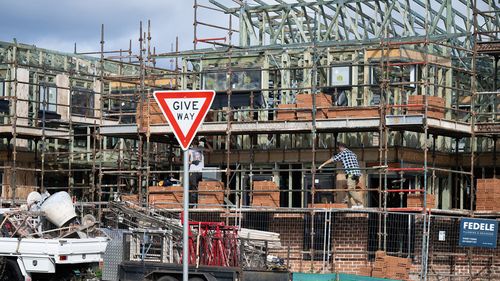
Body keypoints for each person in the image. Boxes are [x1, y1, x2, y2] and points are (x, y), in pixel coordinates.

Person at [317, 142, 364, 208]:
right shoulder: (353, 153)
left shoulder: (343, 153)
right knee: (350, 190)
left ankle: (360, 203)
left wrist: (323, 165)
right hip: (357, 174)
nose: (339, 149)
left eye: (339, 148)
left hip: (351, 173)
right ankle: (354, 205)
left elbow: (333, 159)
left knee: (350, 189)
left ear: (341, 147)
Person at [188, 137, 212, 206]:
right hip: (193, 171)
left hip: (201, 171)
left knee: (201, 187)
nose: (195, 141)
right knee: (193, 187)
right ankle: (193, 204)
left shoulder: (201, 148)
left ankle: (200, 203)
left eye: (196, 140)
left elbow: (211, 150)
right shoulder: (190, 150)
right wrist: (192, 162)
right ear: (192, 142)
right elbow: (186, 161)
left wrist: (206, 142)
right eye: (194, 140)